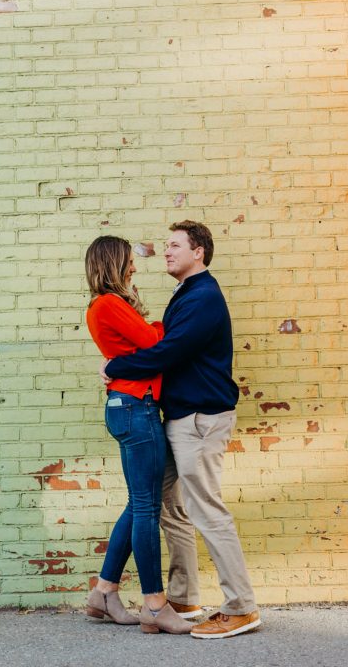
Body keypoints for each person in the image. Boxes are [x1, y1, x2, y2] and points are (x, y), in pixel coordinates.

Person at [102, 221, 261, 639]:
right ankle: (183, 597)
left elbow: (169, 352)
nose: (166, 252)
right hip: (180, 419)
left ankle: (241, 606)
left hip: (201, 420)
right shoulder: (187, 294)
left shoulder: (204, 296)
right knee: (168, 507)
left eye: (175, 246)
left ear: (199, 253)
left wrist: (115, 367)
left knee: (206, 508)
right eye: (167, 245)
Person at [84, 235, 192, 635]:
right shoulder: (109, 303)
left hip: (129, 406)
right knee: (147, 509)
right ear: (114, 263)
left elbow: (138, 347)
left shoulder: (104, 305)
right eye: (129, 262)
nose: (134, 267)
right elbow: (154, 342)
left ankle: (104, 592)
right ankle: (154, 604)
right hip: (136, 407)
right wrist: (166, 324)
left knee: (139, 504)